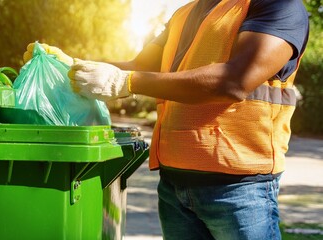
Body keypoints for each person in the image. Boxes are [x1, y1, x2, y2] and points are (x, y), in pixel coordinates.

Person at [23, 0, 309, 239]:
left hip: (240, 190)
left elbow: (235, 80)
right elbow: (139, 68)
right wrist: (71, 66)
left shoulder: (276, 5)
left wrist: (127, 82)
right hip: (174, 187)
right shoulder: (183, 14)